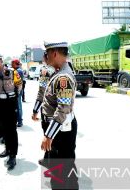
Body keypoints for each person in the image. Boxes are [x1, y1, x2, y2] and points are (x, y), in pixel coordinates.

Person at [34, 42, 78, 189]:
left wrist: (49, 135)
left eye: (47, 53)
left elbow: (62, 109)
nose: (46, 57)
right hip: (59, 127)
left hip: (60, 130)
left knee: (60, 172)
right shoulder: (58, 71)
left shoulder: (63, 77)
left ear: (54, 54)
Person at [0, 51, 22, 170]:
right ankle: (7, 149)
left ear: (1, 61)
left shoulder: (12, 72)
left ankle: (13, 155)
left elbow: (19, 85)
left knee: (12, 129)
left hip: (11, 103)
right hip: (0, 103)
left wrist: (15, 97)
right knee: (4, 128)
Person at [11, 59, 24, 127]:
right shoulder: (19, 70)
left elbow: (18, 83)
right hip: (18, 90)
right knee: (18, 106)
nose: (11, 65)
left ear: (15, 63)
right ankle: (19, 121)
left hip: (18, 91)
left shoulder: (18, 71)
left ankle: (20, 121)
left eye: (12, 63)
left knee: (18, 106)